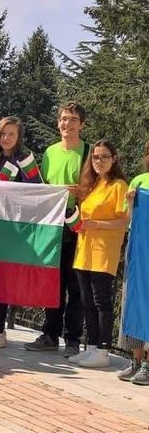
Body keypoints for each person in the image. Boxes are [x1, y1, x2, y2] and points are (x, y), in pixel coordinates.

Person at [24, 102, 88, 357]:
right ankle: (50, 334)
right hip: (53, 225)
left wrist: (79, 192)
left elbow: (97, 188)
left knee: (76, 286)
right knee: (52, 282)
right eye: (63, 118)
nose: (67, 124)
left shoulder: (89, 152)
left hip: (78, 225)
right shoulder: (50, 152)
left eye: (73, 119)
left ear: (82, 125)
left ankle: (73, 340)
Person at [0, 117, 43, 349]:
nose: (6, 138)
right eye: (3, 133)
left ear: (19, 137)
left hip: (13, 229)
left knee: (2, 279)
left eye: (11, 134)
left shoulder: (25, 158)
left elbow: (36, 189)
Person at [66, 140, 128, 368]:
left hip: (104, 250)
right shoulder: (91, 186)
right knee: (86, 301)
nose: (99, 161)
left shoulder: (119, 186)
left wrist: (97, 224)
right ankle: (91, 346)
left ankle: (103, 350)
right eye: (95, 157)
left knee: (101, 302)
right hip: (84, 250)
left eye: (104, 157)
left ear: (114, 159)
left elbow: (124, 221)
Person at [117, 140, 149, 384]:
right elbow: (128, 219)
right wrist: (130, 202)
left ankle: (147, 364)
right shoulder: (138, 181)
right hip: (138, 248)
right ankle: (136, 360)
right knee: (135, 301)